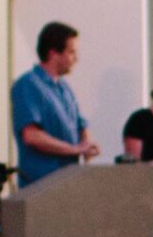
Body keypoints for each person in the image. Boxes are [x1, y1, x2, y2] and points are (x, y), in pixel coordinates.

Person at [11, 22, 99, 187]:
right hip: (41, 185)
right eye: (71, 52)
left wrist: (86, 144)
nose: (76, 59)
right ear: (53, 54)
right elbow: (32, 136)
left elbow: (80, 124)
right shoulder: (28, 85)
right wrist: (75, 149)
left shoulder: (65, 88)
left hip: (67, 183)